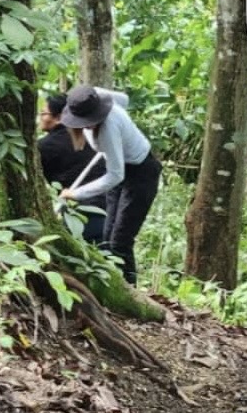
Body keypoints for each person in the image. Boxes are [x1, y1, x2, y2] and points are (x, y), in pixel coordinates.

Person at [59, 85, 161, 285]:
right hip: (119, 168)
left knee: (120, 241)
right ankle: (113, 284)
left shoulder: (108, 129)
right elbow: (123, 99)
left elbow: (115, 175)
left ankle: (131, 291)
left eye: (90, 122)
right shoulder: (93, 97)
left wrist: (76, 193)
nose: (87, 126)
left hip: (141, 173)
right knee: (106, 238)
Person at [37, 93, 106, 243]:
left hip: (82, 209)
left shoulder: (44, 147)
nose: (40, 118)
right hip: (108, 202)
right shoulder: (87, 135)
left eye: (43, 113)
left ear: (59, 117)